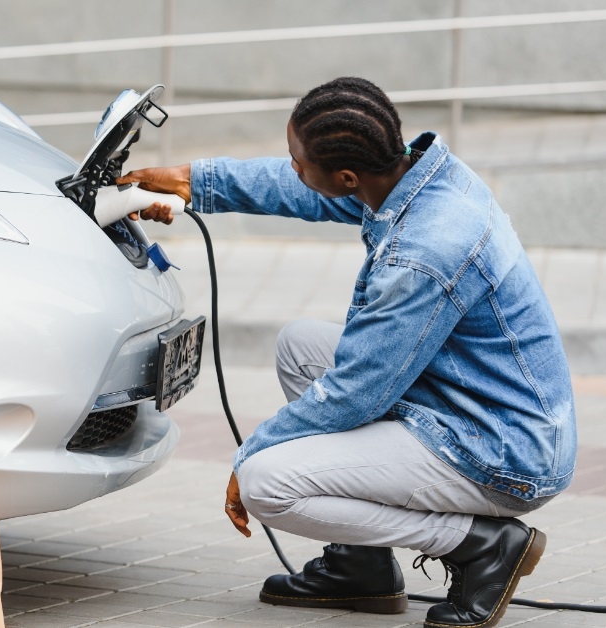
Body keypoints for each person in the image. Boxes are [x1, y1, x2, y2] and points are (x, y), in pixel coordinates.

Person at [118, 77, 575, 628]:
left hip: (503, 454)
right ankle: (362, 567)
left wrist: (248, 457)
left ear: (348, 176)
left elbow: (356, 392)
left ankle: (481, 545)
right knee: (301, 347)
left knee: (268, 483)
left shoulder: (425, 252)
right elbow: (304, 190)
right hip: (477, 403)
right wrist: (195, 181)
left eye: (296, 159)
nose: (291, 167)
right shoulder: (422, 178)